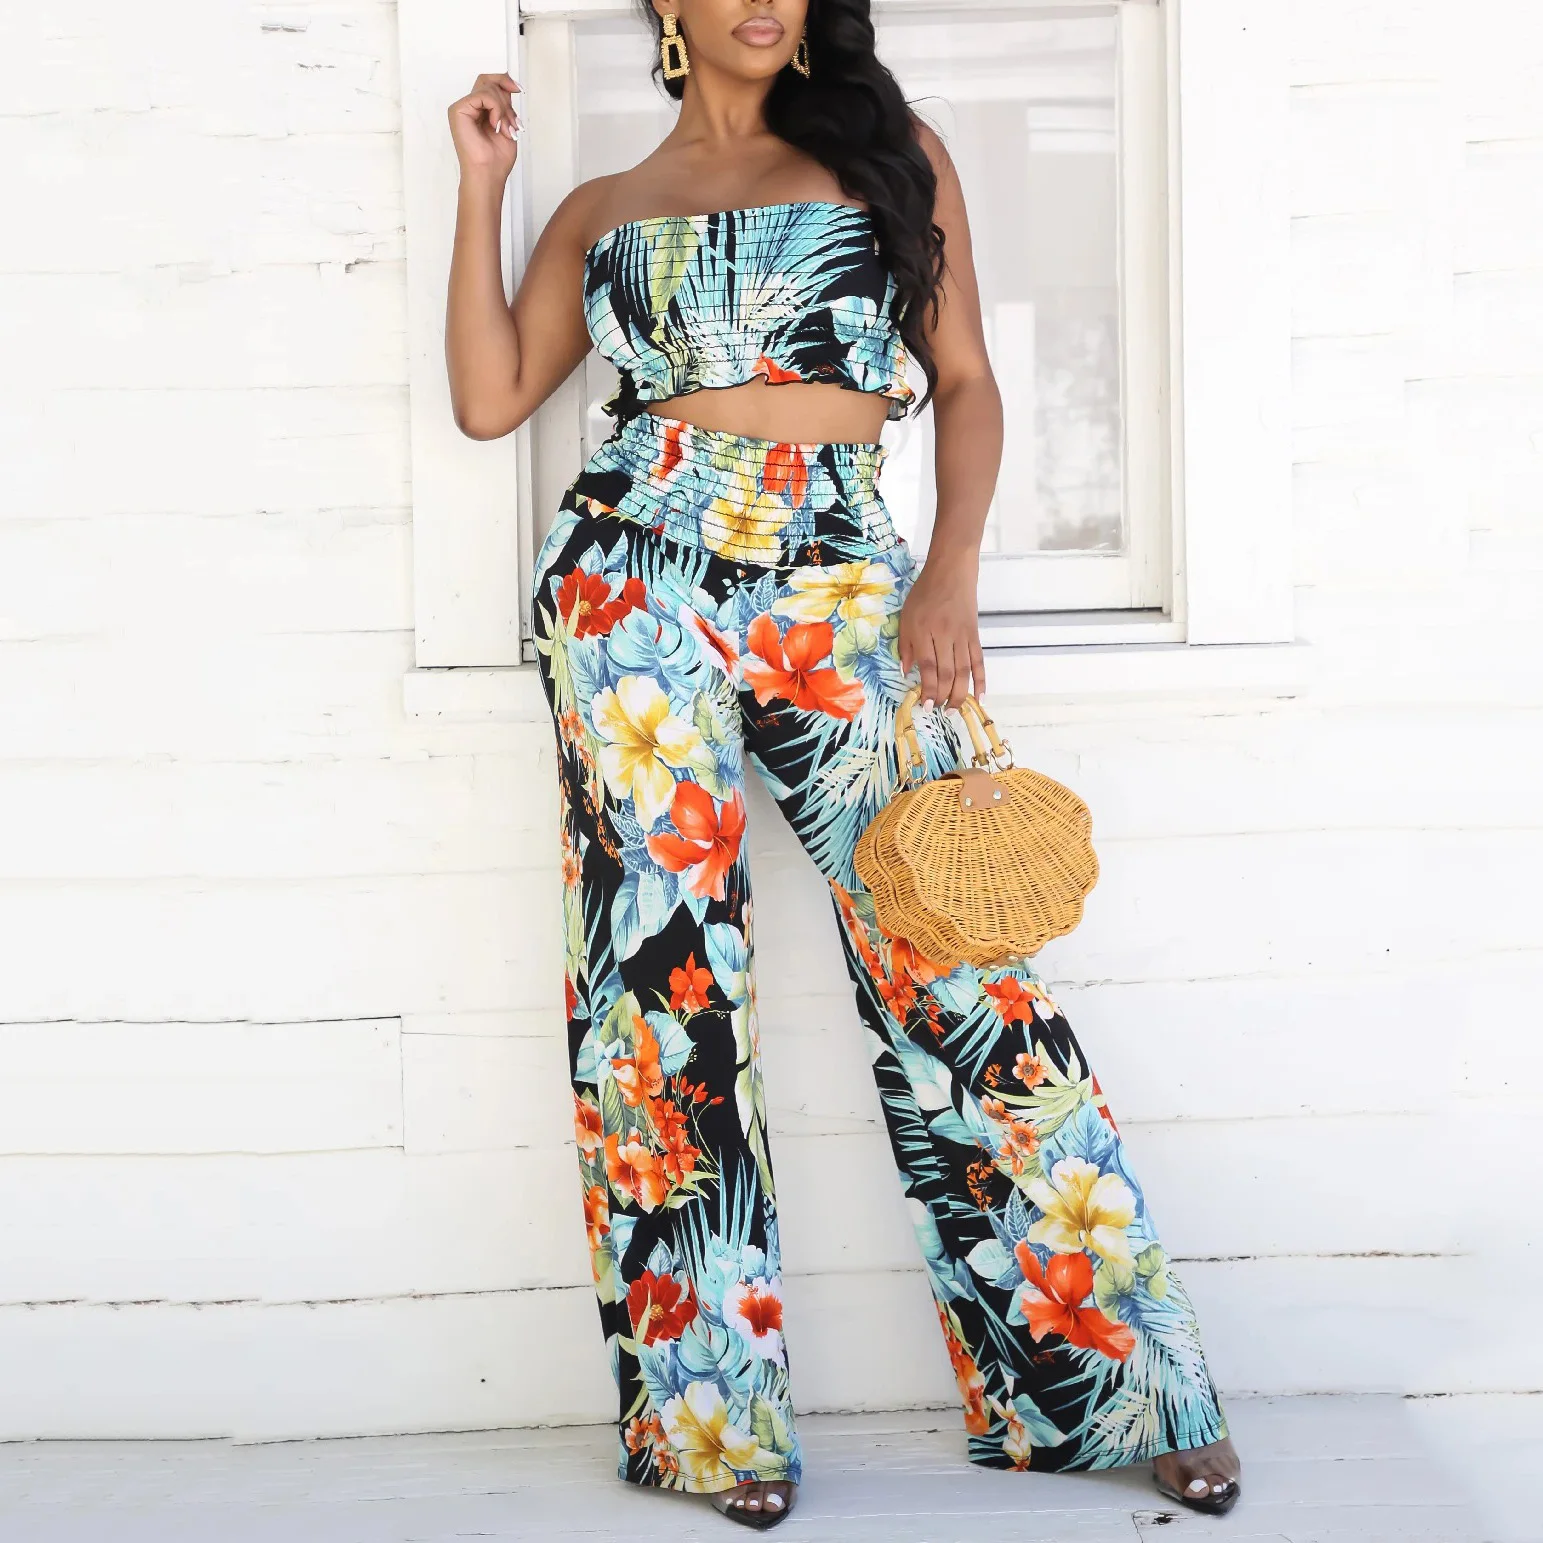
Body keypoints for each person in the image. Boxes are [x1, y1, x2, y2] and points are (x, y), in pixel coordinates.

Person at [443, 0, 1242, 1528]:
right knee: (657, 997)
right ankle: (710, 1428)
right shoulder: (602, 205)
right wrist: (485, 185)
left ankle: (1115, 1391)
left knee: (959, 970)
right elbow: (491, 401)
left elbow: (969, 380)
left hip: (842, 568)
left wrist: (949, 575)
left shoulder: (888, 154)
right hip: (632, 578)